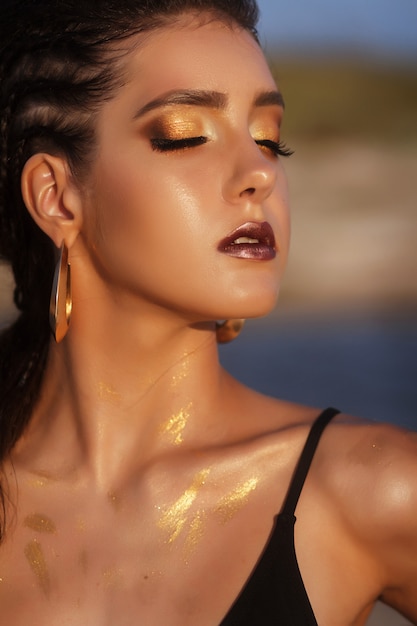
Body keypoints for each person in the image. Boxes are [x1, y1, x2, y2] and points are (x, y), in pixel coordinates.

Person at [0, 1, 416, 624]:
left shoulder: (374, 489)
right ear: (57, 198)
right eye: (185, 135)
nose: (259, 173)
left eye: (272, 140)